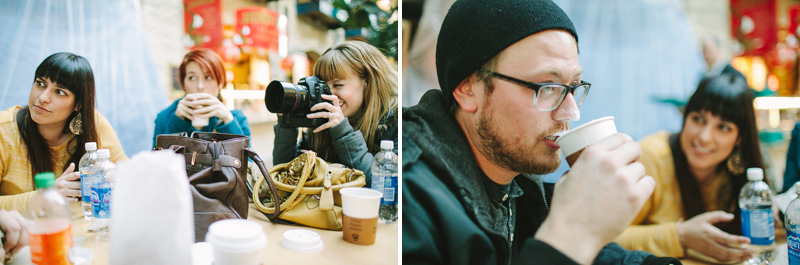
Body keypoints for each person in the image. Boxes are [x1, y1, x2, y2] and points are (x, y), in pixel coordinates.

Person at [402, 0, 677, 264]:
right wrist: (572, 233)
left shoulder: (519, 178)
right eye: (547, 87)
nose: (571, 112)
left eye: (573, 87)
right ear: (468, 89)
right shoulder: (409, 196)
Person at [613, 74, 763, 262]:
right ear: (685, 117)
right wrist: (680, 236)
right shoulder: (651, 158)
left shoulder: (743, 174)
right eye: (698, 119)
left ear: (740, 138)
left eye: (723, 127)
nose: (705, 137)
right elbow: (603, 236)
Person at [0, 52, 128, 212]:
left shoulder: (93, 124)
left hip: (87, 231)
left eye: (60, 92)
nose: (43, 98)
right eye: (40, 84)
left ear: (78, 104)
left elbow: (126, 176)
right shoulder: (3, 131)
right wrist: (45, 197)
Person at [272, 41, 398, 182]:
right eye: (322, 86)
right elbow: (286, 176)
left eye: (338, 85)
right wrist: (286, 126)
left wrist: (342, 132)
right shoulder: (322, 121)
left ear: (368, 84)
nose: (328, 94)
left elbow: (383, 184)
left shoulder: (398, 123)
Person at [153, 49, 250, 147]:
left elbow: (247, 161)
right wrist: (177, 123)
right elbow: (158, 160)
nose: (200, 86)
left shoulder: (236, 118)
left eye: (208, 77)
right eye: (192, 78)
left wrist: (228, 122)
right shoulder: (165, 117)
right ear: (183, 84)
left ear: (220, 82)